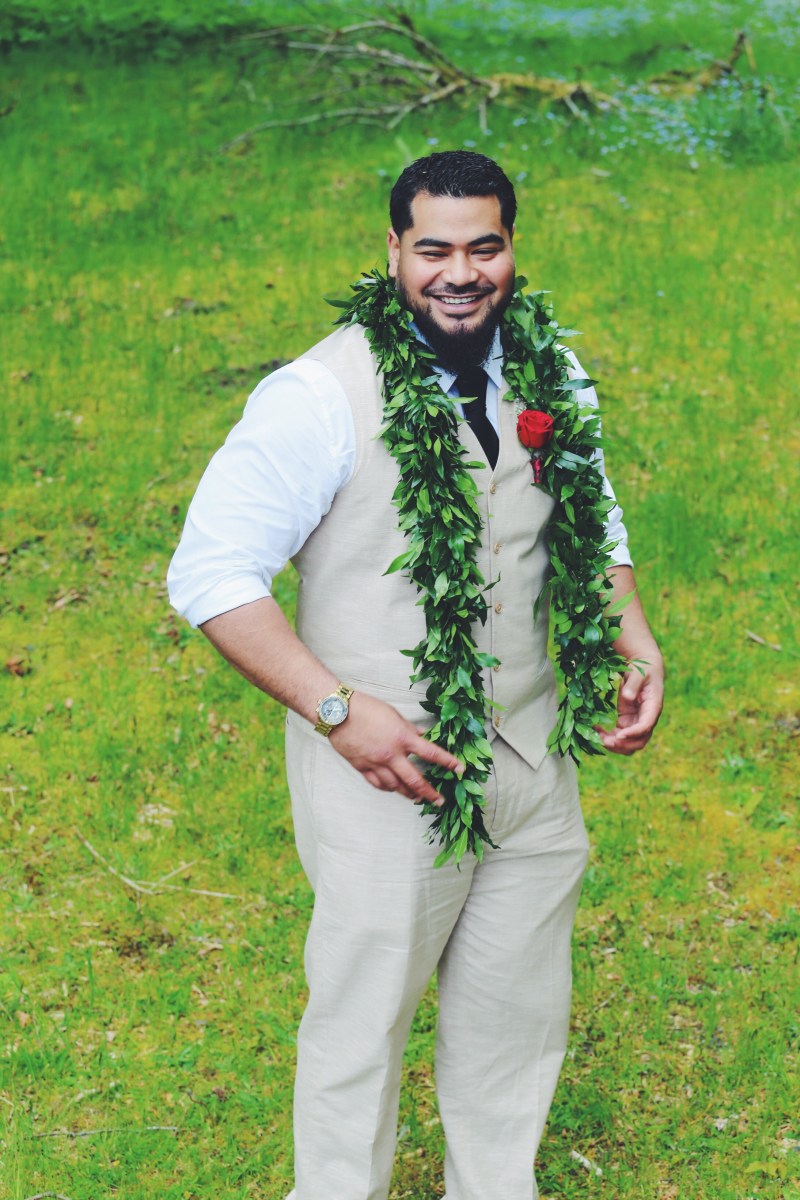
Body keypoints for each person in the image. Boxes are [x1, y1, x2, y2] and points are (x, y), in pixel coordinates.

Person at [167, 150, 663, 1200]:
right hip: (386, 775)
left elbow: (591, 509)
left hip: (529, 761)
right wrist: (339, 714)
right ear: (391, 249)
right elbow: (210, 573)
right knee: (361, 1022)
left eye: (483, 246)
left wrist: (630, 630)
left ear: (509, 249)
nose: (459, 271)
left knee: (516, 1016)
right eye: (431, 247)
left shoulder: (549, 371)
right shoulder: (315, 396)